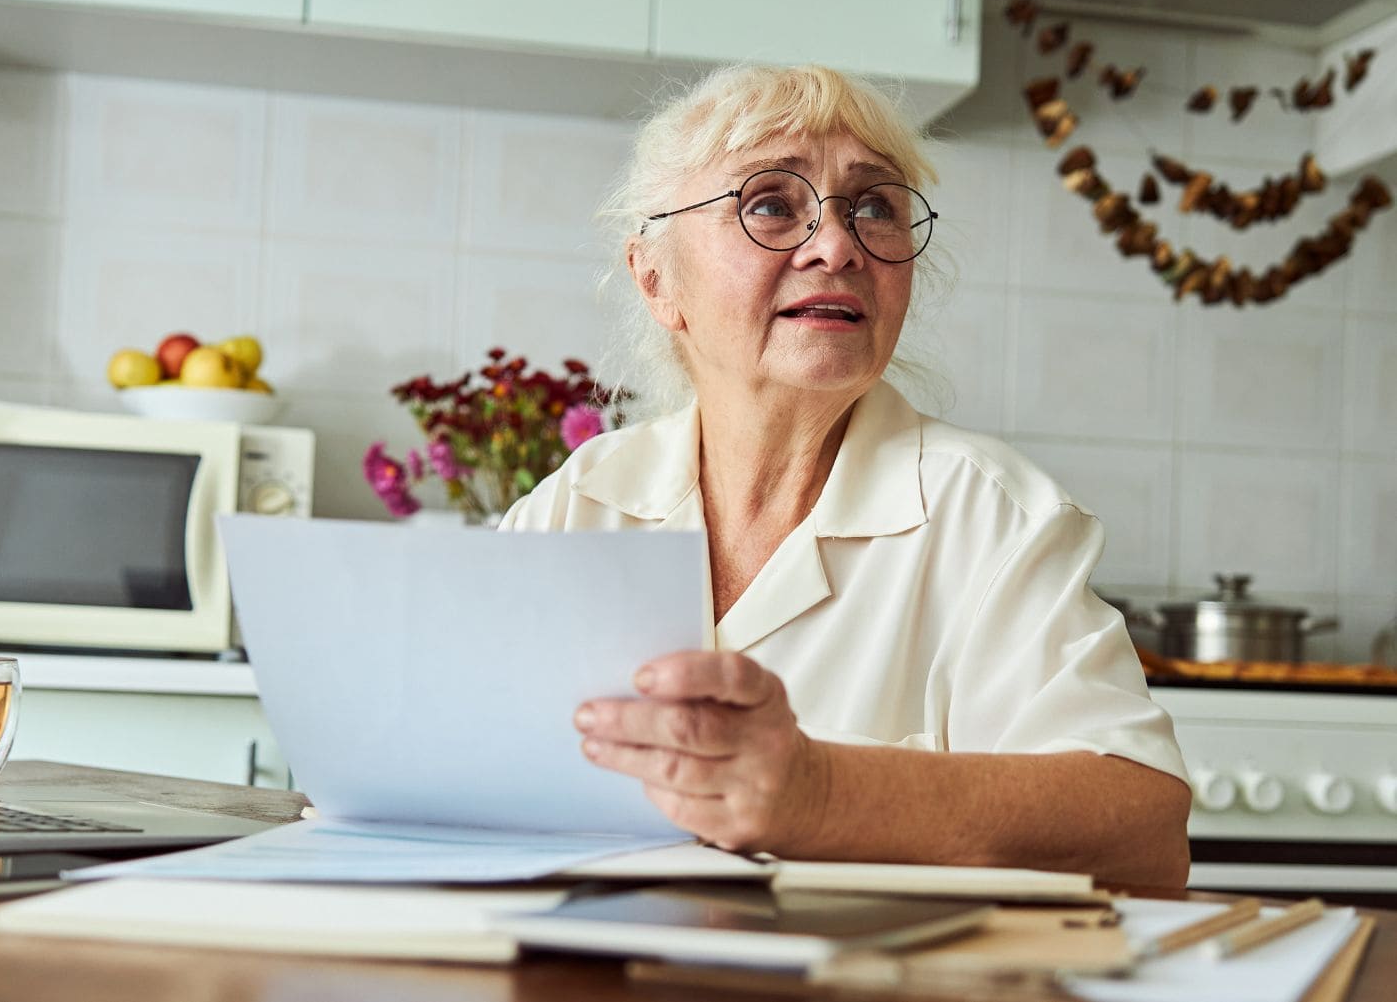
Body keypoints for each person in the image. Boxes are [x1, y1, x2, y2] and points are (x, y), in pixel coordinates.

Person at [500, 64, 1191, 887]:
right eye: (769, 204)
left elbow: (1143, 835)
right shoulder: (576, 506)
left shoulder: (993, 518)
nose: (838, 245)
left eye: (874, 208)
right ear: (657, 280)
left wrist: (821, 793)